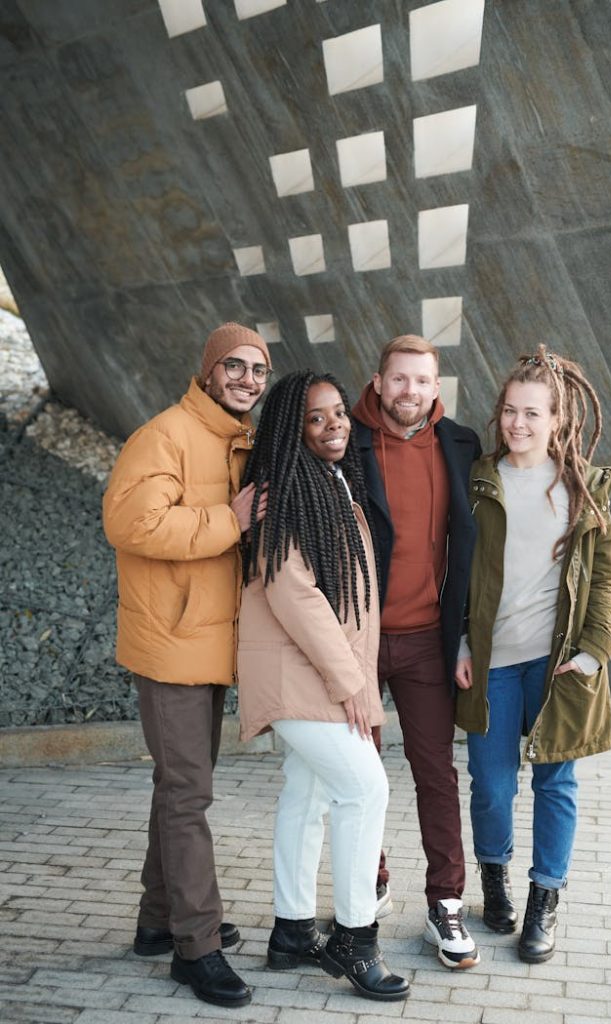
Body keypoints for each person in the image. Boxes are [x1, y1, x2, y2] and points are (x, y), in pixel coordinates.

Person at [102, 322, 273, 1009]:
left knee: (176, 787)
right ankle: (194, 948)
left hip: (207, 643)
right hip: (171, 644)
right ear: (206, 371)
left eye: (257, 371)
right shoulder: (164, 435)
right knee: (187, 795)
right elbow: (132, 525)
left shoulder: (240, 442)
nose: (246, 380)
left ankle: (156, 921)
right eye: (233, 366)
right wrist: (229, 520)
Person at [237, 370, 410, 1002]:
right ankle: (355, 938)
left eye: (339, 412)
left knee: (308, 796)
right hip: (299, 677)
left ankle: (290, 930)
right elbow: (296, 595)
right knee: (365, 789)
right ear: (292, 430)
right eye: (316, 417)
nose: (334, 423)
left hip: (317, 675)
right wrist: (355, 686)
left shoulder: (330, 483)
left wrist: (354, 679)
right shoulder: (284, 491)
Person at [455, 344, 611, 963]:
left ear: (557, 420)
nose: (517, 424)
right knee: (492, 787)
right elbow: (455, 572)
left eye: (532, 413)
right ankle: (493, 878)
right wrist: (461, 643)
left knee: (557, 782)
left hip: (557, 670)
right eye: (508, 411)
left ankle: (543, 901)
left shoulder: (583, 486)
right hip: (492, 664)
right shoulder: (478, 481)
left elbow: (604, 576)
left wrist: (594, 651)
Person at [352, 335, 482, 970]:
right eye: (397, 380)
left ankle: (446, 902)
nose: (408, 391)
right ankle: (369, 880)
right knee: (360, 776)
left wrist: (460, 635)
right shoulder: (345, 443)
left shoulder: (459, 445)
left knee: (436, 773)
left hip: (429, 641)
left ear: (436, 387)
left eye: (421, 380)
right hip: (356, 642)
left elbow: (468, 551)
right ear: (378, 383)